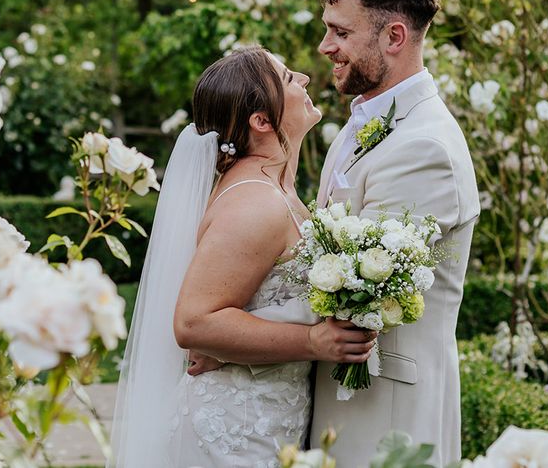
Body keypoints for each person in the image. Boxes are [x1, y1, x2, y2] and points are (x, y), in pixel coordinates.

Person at [108, 46, 376, 467]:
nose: (304, 78)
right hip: (234, 432)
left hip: (268, 418)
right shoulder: (255, 203)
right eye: (288, 78)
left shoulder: (274, 190)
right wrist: (311, 341)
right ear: (262, 121)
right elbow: (195, 321)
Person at [309, 0, 480, 467]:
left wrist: (231, 331)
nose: (324, 46)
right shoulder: (364, 123)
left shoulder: (423, 148)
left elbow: (352, 295)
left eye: (340, 31)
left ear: (394, 36)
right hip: (349, 399)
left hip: (385, 413)